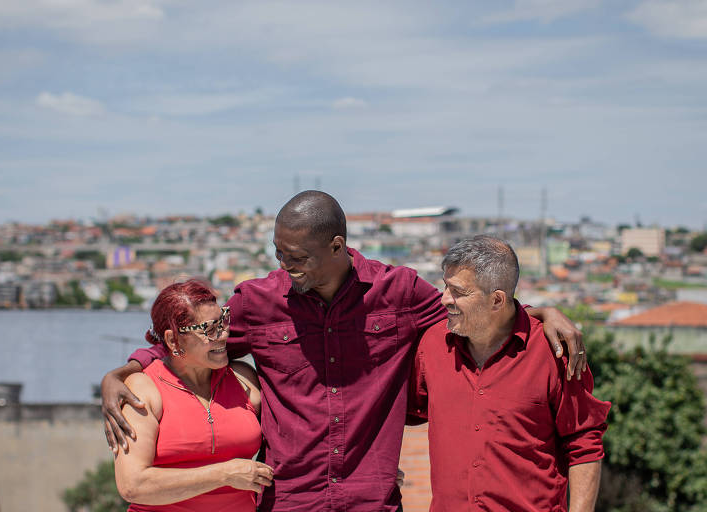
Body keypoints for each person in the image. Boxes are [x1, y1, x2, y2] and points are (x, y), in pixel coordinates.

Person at [102, 191, 587, 512]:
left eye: (299, 257)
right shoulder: (259, 301)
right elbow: (193, 342)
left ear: (337, 245)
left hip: (372, 502)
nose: (286, 266)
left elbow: (472, 310)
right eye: (279, 254)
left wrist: (537, 312)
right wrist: (125, 373)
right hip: (289, 502)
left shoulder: (399, 293)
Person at [409, 236, 611, 511]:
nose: (444, 299)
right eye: (445, 286)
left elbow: (584, 443)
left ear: (496, 300)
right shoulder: (431, 346)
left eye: (458, 292)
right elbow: (396, 412)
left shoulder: (554, 353)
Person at [113, 279, 273, 511]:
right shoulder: (143, 388)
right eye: (209, 330)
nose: (223, 335)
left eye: (224, 322)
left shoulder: (242, 378)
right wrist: (224, 474)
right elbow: (132, 485)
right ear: (172, 340)